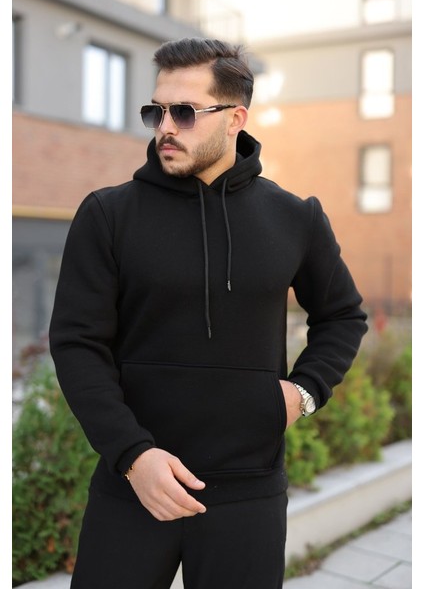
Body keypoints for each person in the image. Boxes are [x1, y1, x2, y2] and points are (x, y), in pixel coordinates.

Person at [49, 37, 368, 589]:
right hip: (133, 486)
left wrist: (303, 393)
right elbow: (78, 344)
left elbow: (343, 315)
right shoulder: (108, 214)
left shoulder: (294, 218)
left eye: (184, 112)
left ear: (235, 118)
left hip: (248, 493)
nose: (165, 128)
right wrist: (133, 455)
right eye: (156, 112)